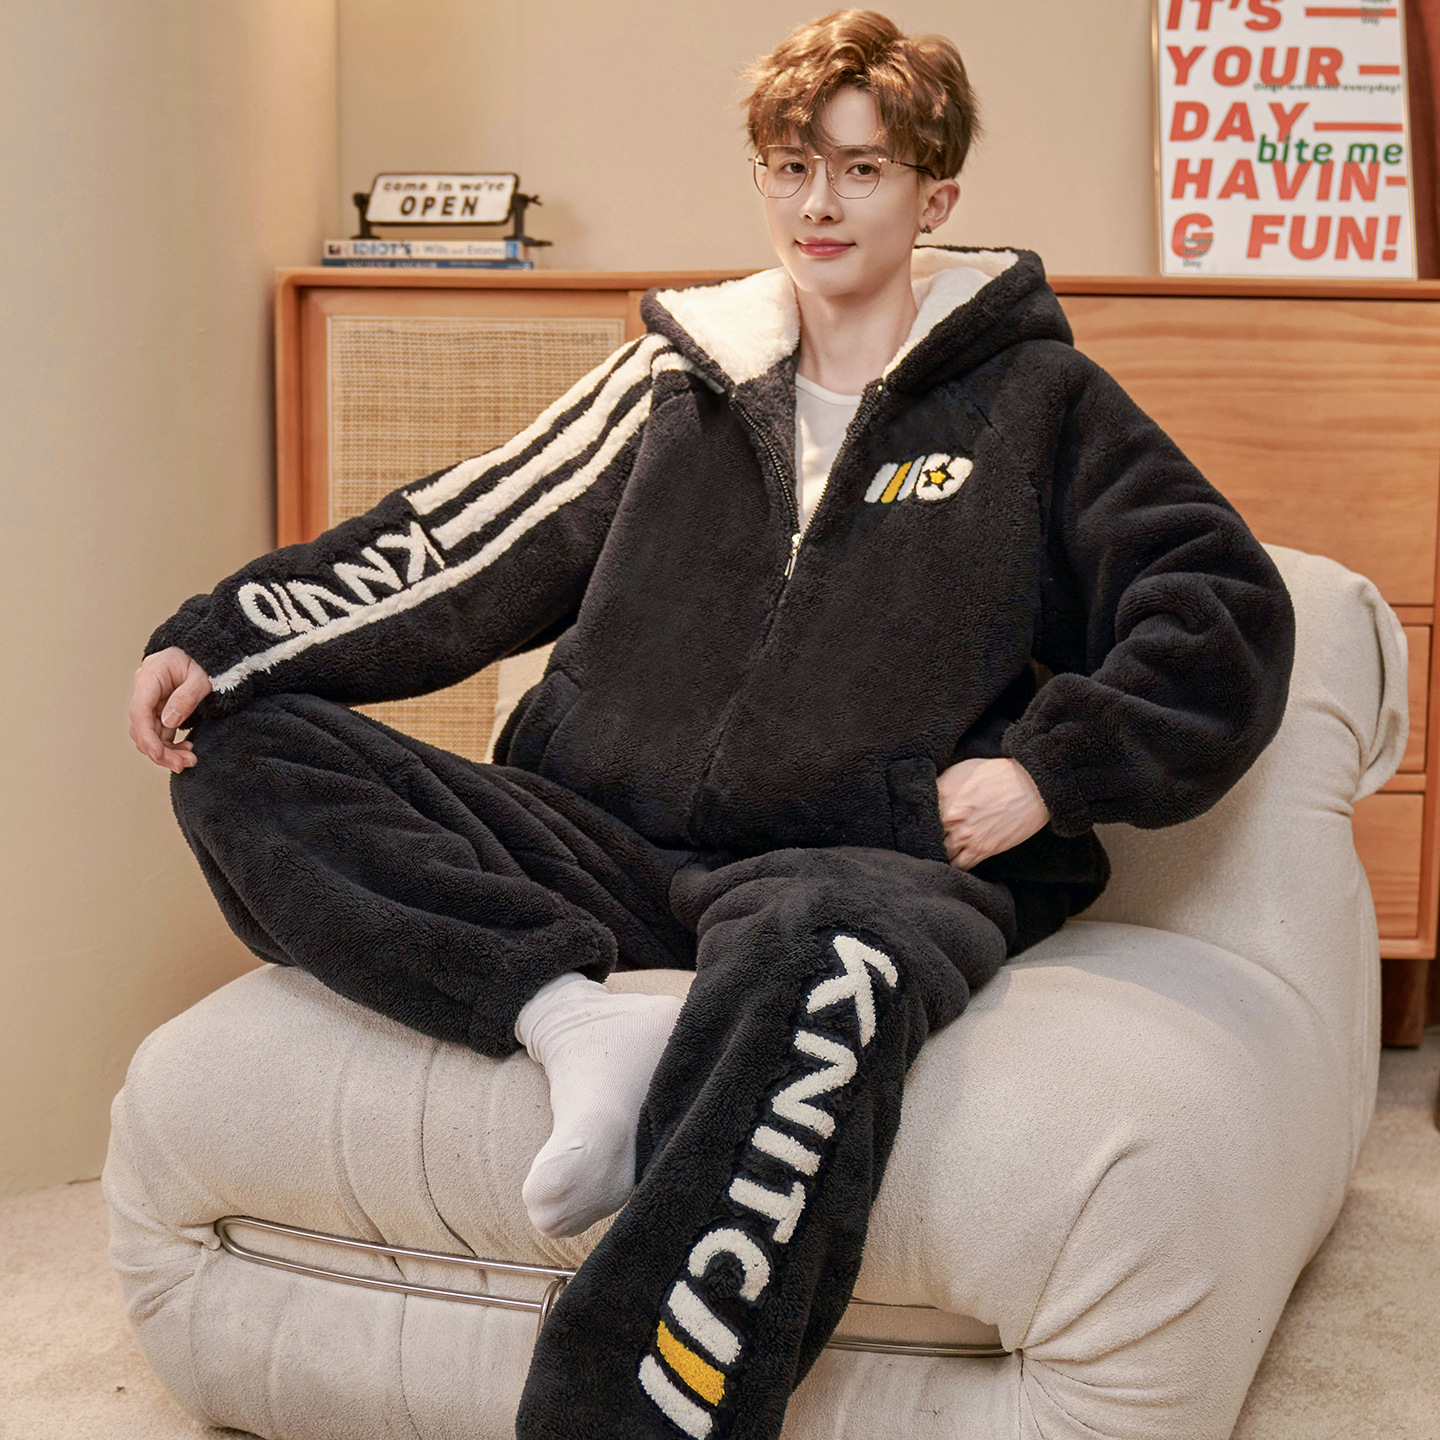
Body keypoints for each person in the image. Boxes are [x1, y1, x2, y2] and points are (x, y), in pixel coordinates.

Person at [127, 11, 1295, 1439]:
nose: (819, 203)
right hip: (599, 842)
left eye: (861, 170)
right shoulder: (676, 382)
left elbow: (1221, 607)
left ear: (933, 194)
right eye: (792, 166)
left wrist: (1046, 775)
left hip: (858, 867)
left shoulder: (1040, 404)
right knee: (241, 744)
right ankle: (567, 1017)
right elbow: (461, 540)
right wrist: (231, 638)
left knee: (827, 974)